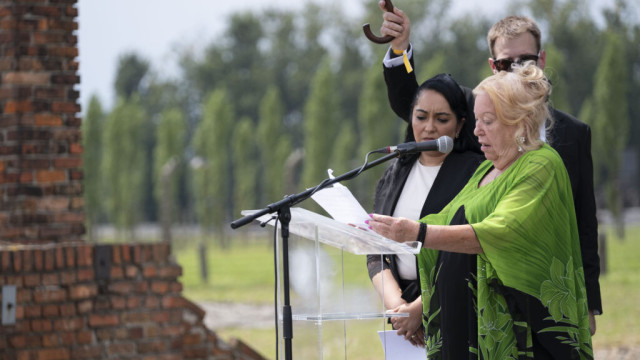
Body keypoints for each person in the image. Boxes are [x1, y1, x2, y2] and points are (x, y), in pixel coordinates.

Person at [377, 2, 602, 334]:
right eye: (504, 63)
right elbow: (416, 104)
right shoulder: (477, 113)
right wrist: (400, 49)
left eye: (524, 61)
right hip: (488, 295)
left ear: (541, 61)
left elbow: (582, 222)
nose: (514, 70)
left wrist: (590, 303)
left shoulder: (573, 134)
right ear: (492, 66)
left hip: (548, 291)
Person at [367, 73, 484, 347]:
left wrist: (422, 309)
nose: (429, 127)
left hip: (458, 308)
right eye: (421, 117)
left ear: (460, 125)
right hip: (402, 317)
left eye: (442, 119)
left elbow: (467, 251)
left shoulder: (477, 172)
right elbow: (376, 251)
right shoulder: (396, 170)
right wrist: (400, 310)